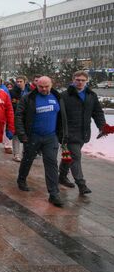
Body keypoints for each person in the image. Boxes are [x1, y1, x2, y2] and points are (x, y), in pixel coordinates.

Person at [15, 76, 67, 206]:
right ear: (36, 85)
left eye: (46, 86)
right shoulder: (28, 98)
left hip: (51, 137)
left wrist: (63, 135)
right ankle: (21, 179)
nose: (44, 89)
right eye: (41, 87)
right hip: (33, 136)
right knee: (28, 159)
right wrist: (22, 135)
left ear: (51, 85)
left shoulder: (57, 97)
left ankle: (54, 194)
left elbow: (63, 117)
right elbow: (19, 116)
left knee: (51, 163)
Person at [60, 70, 112, 195]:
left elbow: (97, 112)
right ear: (73, 80)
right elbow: (59, 115)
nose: (80, 82)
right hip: (68, 132)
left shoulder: (91, 95)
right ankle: (81, 184)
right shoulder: (65, 95)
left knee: (70, 157)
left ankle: (61, 176)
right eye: (78, 80)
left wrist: (102, 126)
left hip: (83, 132)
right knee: (76, 157)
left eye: (83, 80)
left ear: (86, 81)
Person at [9, 76, 29, 162]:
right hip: (16, 115)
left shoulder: (30, 91)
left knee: (27, 134)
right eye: (17, 81)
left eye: (21, 81)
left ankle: (25, 152)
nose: (19, 83)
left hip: (27, 116)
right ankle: (16, 154)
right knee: (16, 135)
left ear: (25, 82)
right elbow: (9, 104)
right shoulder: (12, 92)